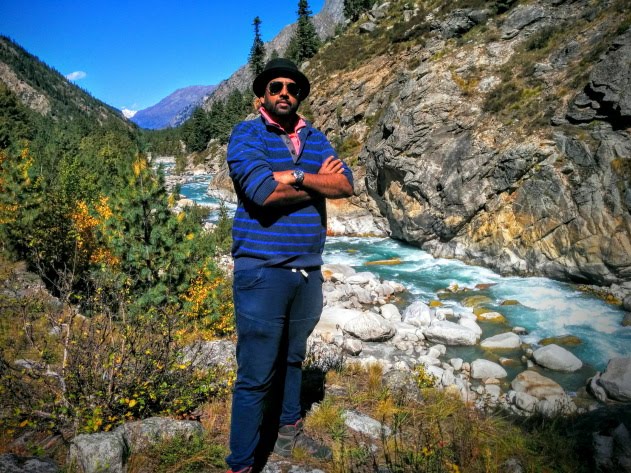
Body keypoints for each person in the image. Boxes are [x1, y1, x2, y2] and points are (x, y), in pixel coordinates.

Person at [225, 58, 354, 473]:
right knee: (256, 371)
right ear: (262, 93)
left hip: (307, 270)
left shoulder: (315, 137)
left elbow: (345, 184)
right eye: (276, 86)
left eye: (293, 88)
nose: (285, 93)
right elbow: (263, 193)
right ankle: (242, 462)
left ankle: (287, 430)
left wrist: (294, 176)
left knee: (293, 358)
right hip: (262, 268)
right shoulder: (247, 134)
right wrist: (315, 181)